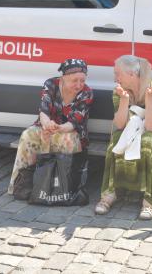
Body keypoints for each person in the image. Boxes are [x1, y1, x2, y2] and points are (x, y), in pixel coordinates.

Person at [95, 55, 152, 220]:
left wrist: (149, 99)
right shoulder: (119, 90)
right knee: (116, 138)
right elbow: (121, 125)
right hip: (135, 135)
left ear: (131, 74)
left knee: (150, 140)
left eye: (117, 74)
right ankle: (109, 194)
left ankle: (150, 202)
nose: (115, 78)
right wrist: (124, 100)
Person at [8, 59, 94, 195]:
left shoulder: (86, 92)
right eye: (74, 80)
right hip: (47, 125)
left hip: (71, 130)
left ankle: (62, 189)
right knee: (28, 135)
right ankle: (23, 184)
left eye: (82, 80)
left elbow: (74, 121)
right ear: (63, 78)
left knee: (65, 139)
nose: (79, 85)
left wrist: (57, 128)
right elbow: (43, 110)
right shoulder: (51, 84)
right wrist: (47, 124)